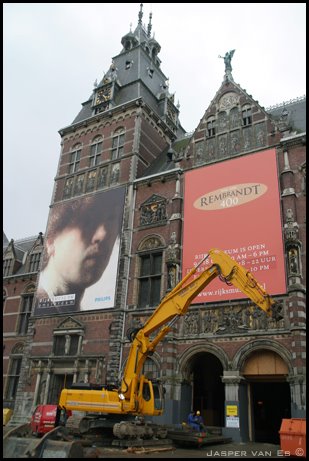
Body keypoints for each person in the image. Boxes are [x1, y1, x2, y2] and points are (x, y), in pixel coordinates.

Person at [34, 188, 125, 315]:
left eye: (110, 220)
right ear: (50, 241)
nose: (103, 235)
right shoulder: (38, 304)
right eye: (88, 221)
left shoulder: (77, 310)